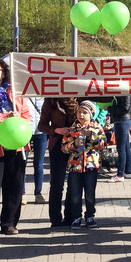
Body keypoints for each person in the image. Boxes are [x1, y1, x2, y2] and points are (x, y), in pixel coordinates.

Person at [0, 58, 31, 235]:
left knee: (14, 186)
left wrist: (19, 117)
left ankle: (9, 223)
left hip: (16, 146)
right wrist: (3, 118)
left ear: (4, 73)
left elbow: (27, 115)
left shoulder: (14, 92)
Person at [61, 100, 106, 230]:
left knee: (90, 193)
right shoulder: (72, 129)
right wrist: (73, 144)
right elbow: (63, 148)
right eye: (79, 112)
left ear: (91, 114)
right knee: (75, 194)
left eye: (84, 112)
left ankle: (90, 216)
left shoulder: (96, 127)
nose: (81, 115)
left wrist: (93, 138)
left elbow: (102, 144)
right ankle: (76, 217)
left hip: (91, 166)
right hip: (75, 166)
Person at [39, 97, 78, 227]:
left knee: (74, 183)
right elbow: (42, 125)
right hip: (57, 145)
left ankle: (71, 217)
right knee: (57, 183)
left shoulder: (80, 96)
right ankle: (55, 219)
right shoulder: (51, 100)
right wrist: (57, 130)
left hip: (76, 144)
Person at [107, 94, 131, 183]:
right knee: (126, 147)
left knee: (121, 148)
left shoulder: (125, 92)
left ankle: (120, 174)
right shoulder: (128, 92)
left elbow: (125, 108)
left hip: (122, 120)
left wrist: (110, 109)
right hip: (125, 119)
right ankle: (128, 171)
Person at [26, 96, 47, 204]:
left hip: (41, 131)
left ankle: (38, 193)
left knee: (39, 163)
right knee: (22, 163)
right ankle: (22, 194)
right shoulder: (21, 90)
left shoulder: (42, 93)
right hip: (23, 130)